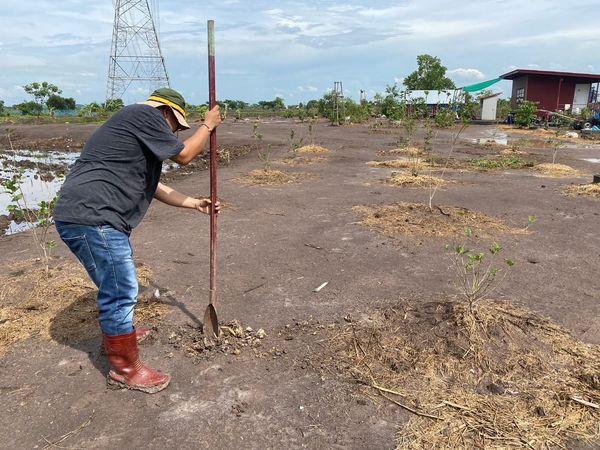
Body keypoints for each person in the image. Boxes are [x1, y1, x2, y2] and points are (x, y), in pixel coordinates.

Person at [53, 88, 222, 394]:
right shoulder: (143, 114)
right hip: (94, 216)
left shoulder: (134, 135)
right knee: (121, 289)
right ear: (166, 112)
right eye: (176, 125)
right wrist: (207, 125)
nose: (173, 132)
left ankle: (119, 336)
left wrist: (196, 203)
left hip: (91, 216)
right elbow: (184, 155)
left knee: (117, 284)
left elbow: (155, 187)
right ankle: (124, 369)